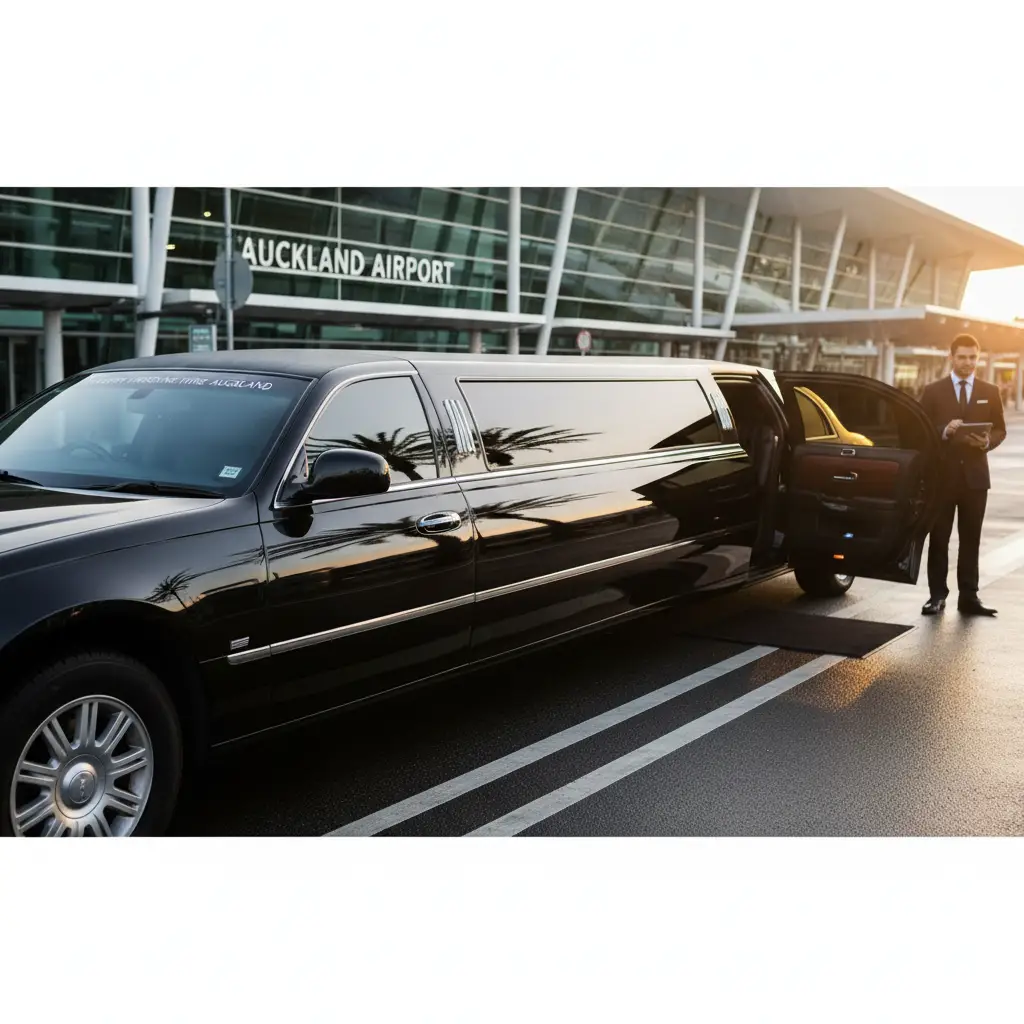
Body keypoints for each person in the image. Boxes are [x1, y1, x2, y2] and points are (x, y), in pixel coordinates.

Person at [919, 333, 1006, 616]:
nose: (968, 362)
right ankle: (937, 596)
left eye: (972, 357)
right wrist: (944, 430)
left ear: (977, 358)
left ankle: (969, 597)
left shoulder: (990, 390)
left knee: (971, 539)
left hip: (975, 479)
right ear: (951, 357)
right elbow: (918, 431)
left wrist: (987, 442)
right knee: (939, 538)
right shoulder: (932, 391)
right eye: (962, 357)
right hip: (941, 479)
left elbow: (1000, 429)